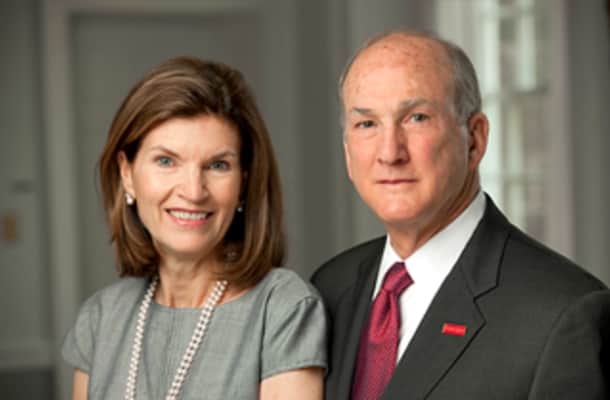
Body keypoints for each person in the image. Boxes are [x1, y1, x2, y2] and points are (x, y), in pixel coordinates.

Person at [312, 30, 610, 400]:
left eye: (416, 118)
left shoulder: (562, 314)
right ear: (347, 153)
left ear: (475, 139)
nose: (389, 152)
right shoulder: (328, 290)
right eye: (367, 124)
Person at [62, 56, 326, 400]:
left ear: (243, 183)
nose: (193, 191)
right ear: (127, 174)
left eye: (218, 165)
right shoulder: (100, 319)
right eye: (166, 161)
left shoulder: (283, 309)